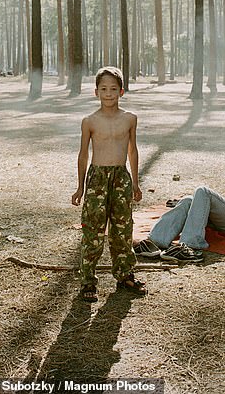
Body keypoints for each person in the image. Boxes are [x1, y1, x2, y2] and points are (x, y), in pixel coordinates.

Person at [71, 66, 145, 302]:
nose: (109, 93)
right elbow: (83, 154)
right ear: (96, 92)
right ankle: (87, 281)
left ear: (121, 91)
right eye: (103, 89)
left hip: (121, 177)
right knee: (92, 230)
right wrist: (81, 186)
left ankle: (125, 275)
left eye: (113, 88)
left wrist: (135, 182)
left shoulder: (129, 119)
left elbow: (133, 150)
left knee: (122, 229)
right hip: (97, 179)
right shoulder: (89, 121)